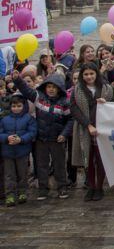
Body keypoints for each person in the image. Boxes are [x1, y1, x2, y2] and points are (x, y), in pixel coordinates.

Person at [12, 71, 73, 201]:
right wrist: (17, 79)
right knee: (41, 165)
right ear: (45, 87)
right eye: (49, 86)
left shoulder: (65, 103)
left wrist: (64, 134)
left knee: (59, 165)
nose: (51, 89)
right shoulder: (39, 97)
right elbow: (26, 90)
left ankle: (62, 187)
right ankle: (43, 189)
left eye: (54, 87)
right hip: (41, 138)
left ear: (60, 89)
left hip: (57, 139)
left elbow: (70, 120)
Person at [70, 61, 113, 201]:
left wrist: (106, 102)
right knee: (87, 159)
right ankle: (91, 187)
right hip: (84, 129)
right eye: (86, 74)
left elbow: (113, 103)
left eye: (91, 74)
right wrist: (88, 125)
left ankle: (99, 187)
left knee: (100, 159)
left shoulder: (105, 88)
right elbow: (74, 109)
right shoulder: (77, 89)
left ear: (97, 74)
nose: (89, 77)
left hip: (102, 129)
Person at [0, 96, 36, 207]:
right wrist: (7, 138)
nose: (16, 108)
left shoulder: (28, 118)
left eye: (19, 106)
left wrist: (21, 139)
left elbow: (32, 132)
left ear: (24, 106)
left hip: (22, 151)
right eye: (14, 106)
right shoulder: (4, 120)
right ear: (10, 107)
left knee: (22, 173)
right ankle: (10, 194)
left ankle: (22, 192)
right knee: (9, 174)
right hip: (7, 151)